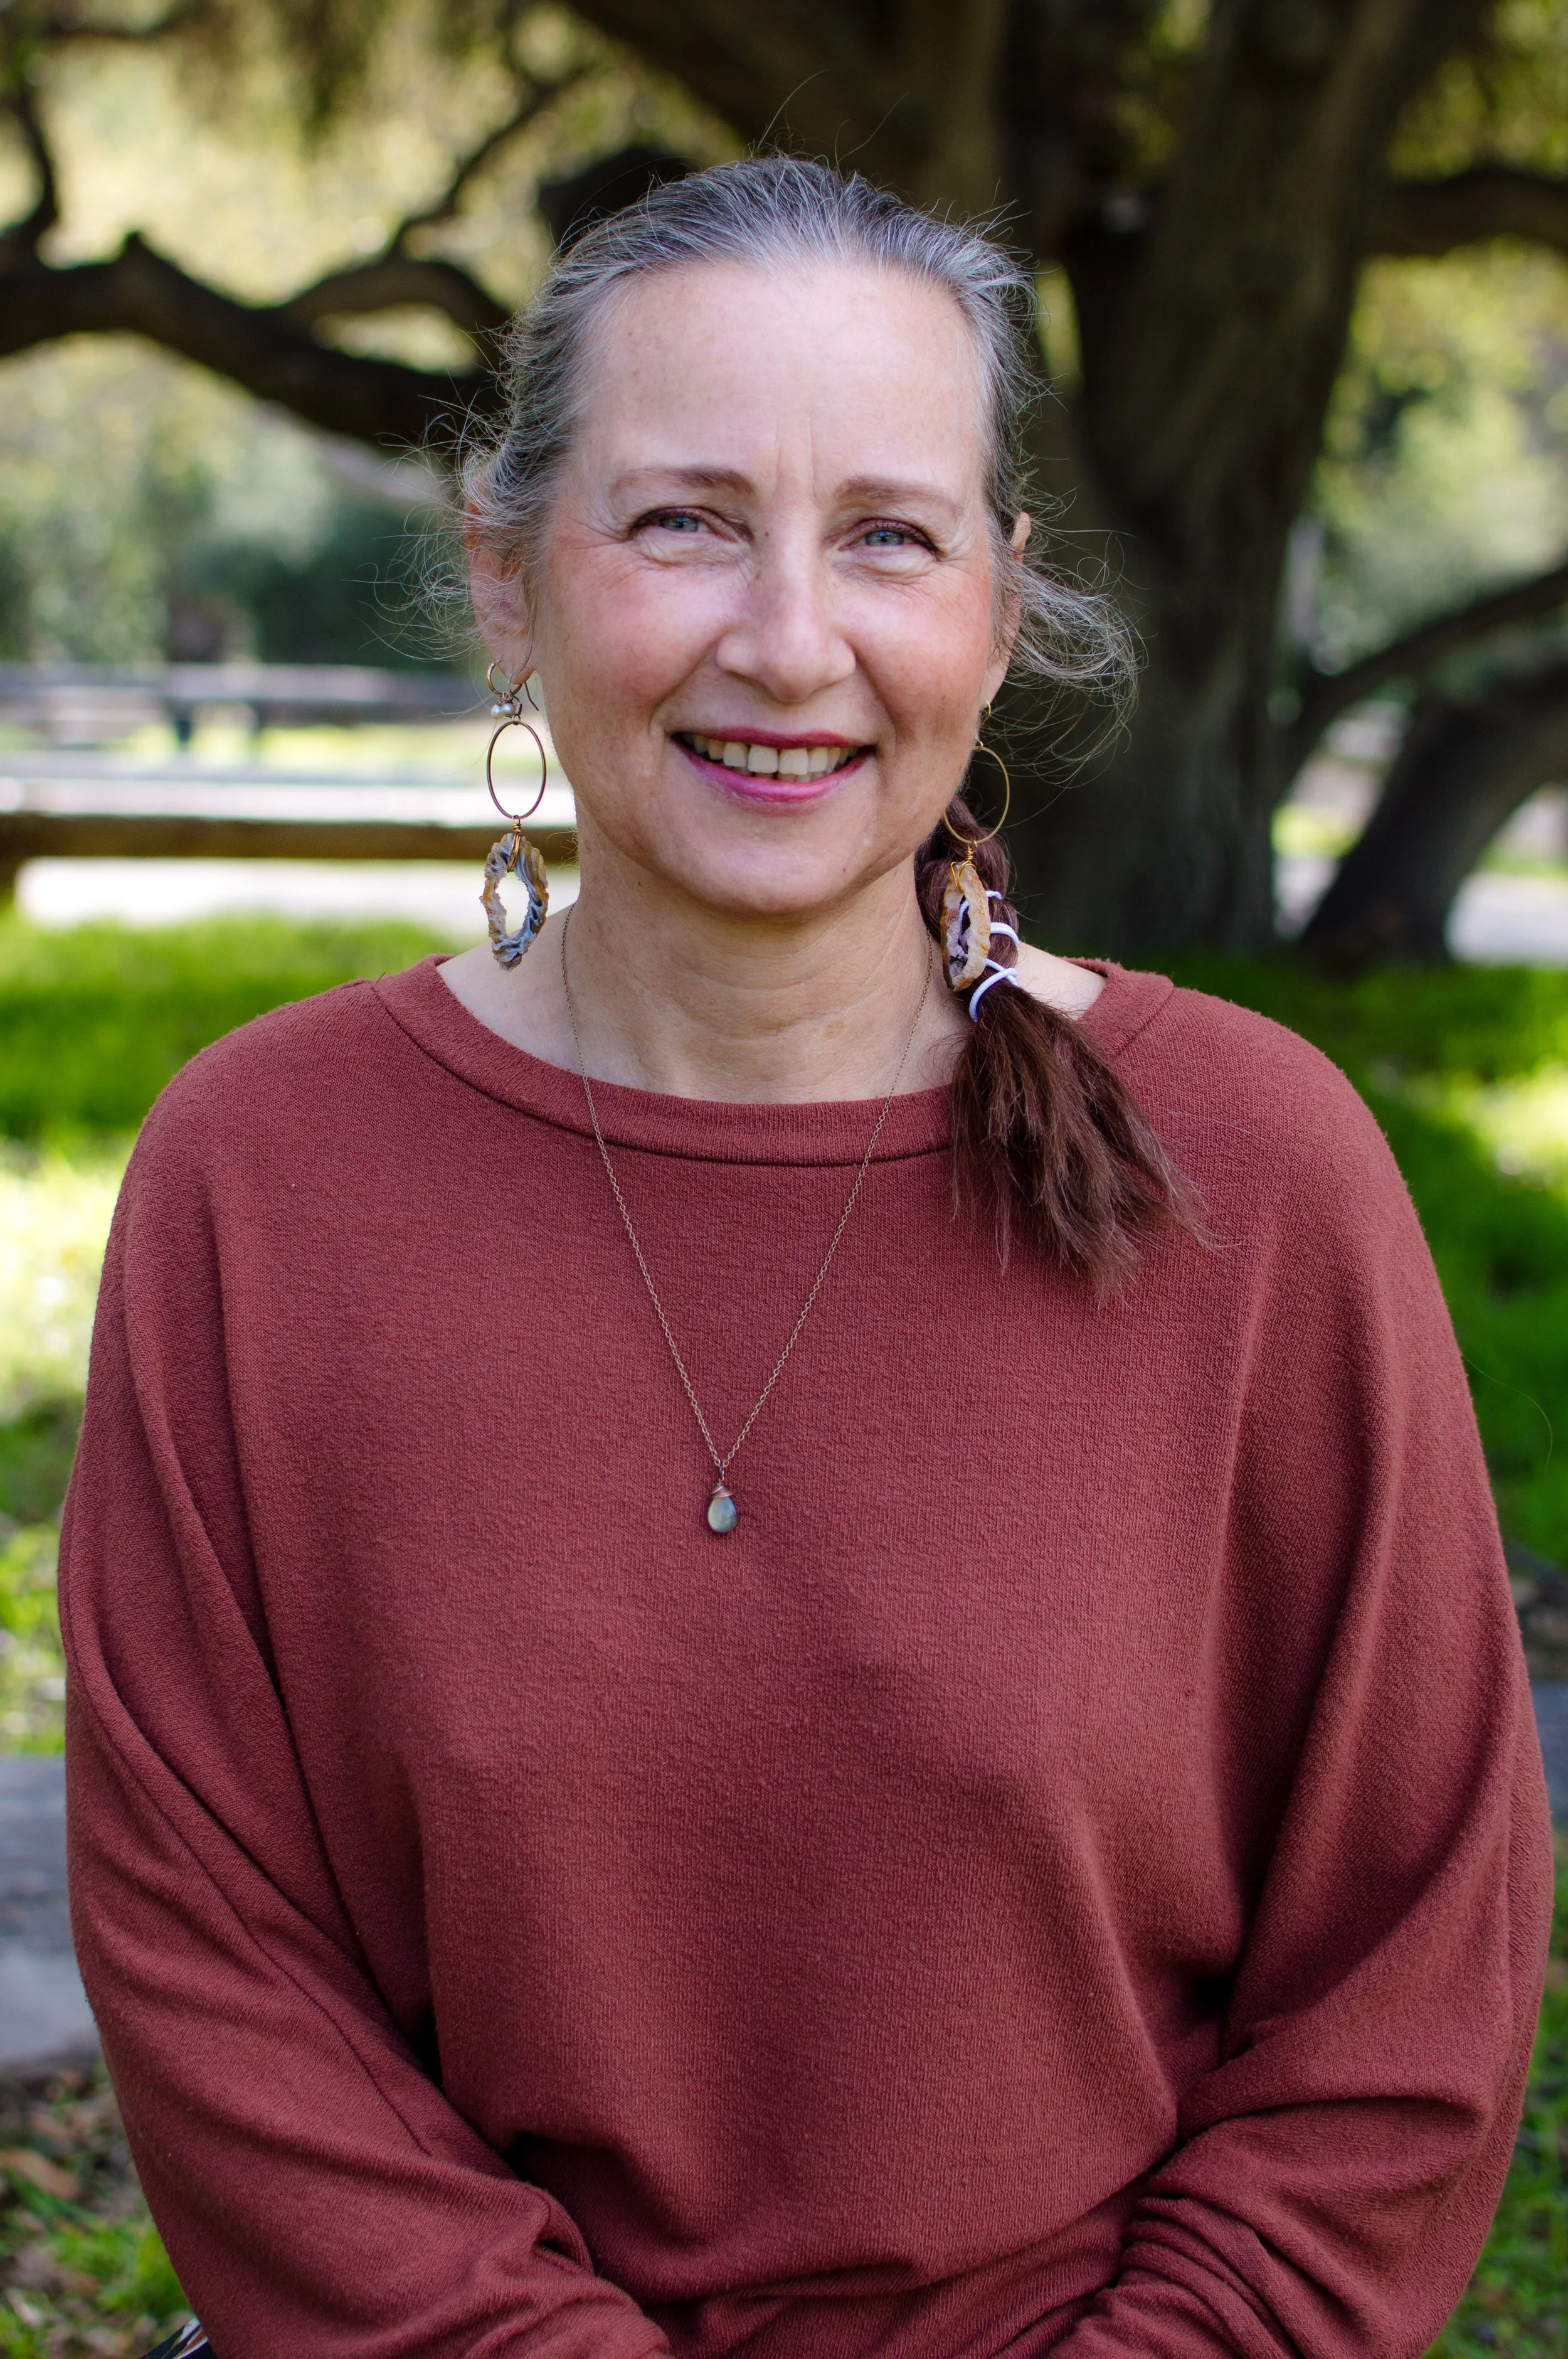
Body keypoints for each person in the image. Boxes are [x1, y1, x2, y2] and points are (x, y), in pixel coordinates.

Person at [65, 159, 1551, 2359]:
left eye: (886, 534)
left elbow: (1401, 1988)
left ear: (996, 595)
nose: (788, 640)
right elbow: (222, 1985)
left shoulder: (1256, 1173)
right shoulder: (260, 1181)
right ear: (505, 580)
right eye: (681, 521)